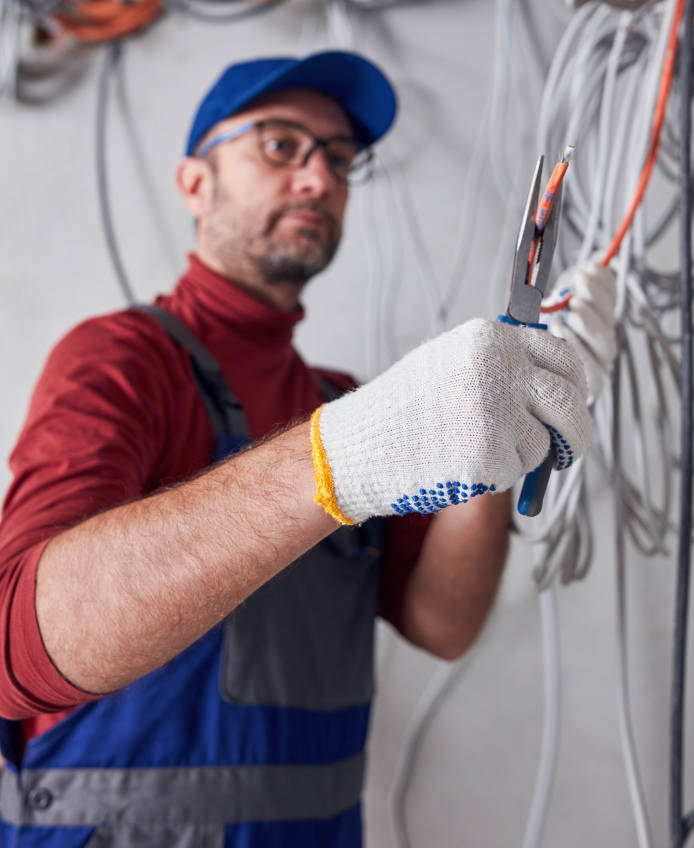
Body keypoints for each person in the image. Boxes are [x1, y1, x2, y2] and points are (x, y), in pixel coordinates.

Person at [0, 49, 616, 846]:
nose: (319, 178)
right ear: (195, 182)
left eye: (338, 158)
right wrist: (342, 458)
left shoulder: (340, 399)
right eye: (279, 145)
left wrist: (507, 425)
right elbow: (17, 640)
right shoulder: (122, 361)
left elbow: (442, 621)